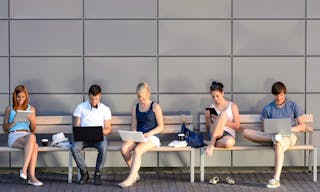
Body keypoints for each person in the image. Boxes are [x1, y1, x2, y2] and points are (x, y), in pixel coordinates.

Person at [242, 81, 312, 188]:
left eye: (281, 94)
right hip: (271, 136)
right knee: (245, 132)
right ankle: (275, 137)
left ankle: (276, 179)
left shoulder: (293, 106)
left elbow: (302, 126)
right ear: (273, 95)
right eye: (276, 95)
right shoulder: (268, 108)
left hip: (289, 136)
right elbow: (264, 127)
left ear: (284, 93)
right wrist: (272, 133)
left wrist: (288, 129)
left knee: (278, 142)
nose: (279, 97)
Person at [118, 82, 164, 188]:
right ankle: (135, 175)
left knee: (137, 150)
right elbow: (134, 125)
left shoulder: (155, 107)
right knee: (124, 148)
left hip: (151, 137)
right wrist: (134, 133)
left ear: (148, 94)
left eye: (142, 97)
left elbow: (161, 126)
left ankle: (130, 179)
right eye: (139, 97)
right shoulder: (135, 107)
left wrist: (150, 133)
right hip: (139, 136)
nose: (141, 99)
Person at [70, 84, 112, 185]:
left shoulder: (105, 109)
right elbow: (76, 126)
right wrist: (80, 131)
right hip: (83, 138)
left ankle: (98, 173)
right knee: (74, 147)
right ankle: (84, 173)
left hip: (99, 138)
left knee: (103, 147)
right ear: (88, 95)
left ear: (100, 96)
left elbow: (108, 128)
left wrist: (99, 132)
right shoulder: (80, 107)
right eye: (91, 99)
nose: (93, 101)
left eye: (96, 99)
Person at [3, 85, 43, 186]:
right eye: (18, 97)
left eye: (23, 97)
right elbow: (5, 127)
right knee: (35, 145)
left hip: (26, 135)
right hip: (14, 136)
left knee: (32, 138)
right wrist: (14, 122)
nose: (20, 99)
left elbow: (33, 129)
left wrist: (31, 120)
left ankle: (25, 170)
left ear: (26, 97)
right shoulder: (9, 109)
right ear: (14, 96)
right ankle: (30, 176)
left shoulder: (31, 109)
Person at [204, 81, 240, 184]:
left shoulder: (232, 106)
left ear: (223, 93)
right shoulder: (211, 107)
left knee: (229, 143)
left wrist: (223, 122)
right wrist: (208, 118)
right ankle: (211, 144)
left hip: (227, 136)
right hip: (215, 132)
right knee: (223, 115)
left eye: (217, 96)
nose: (215, 99)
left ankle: (211, 143)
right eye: (213, 97)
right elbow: (208, 127)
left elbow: (237, 125)